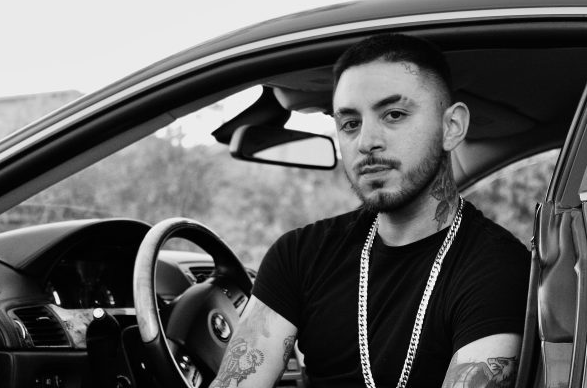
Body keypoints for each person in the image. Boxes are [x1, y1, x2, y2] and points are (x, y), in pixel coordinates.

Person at [210, 33, 530, 388]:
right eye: (350, 124)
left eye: (394, 115)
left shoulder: (498, 269)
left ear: (450, 127)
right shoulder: (299, 255)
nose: (366, 142)